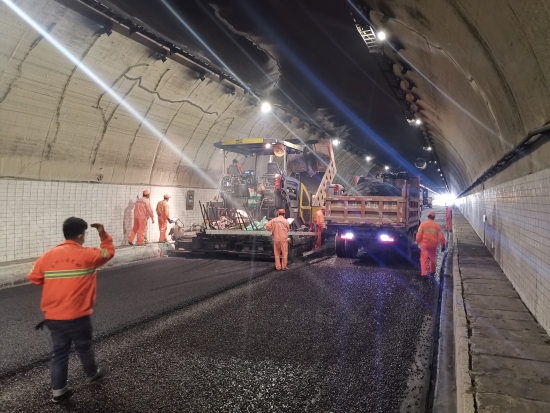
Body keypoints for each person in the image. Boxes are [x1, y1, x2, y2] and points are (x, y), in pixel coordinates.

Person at [28, 217, 115, 403]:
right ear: (81, 236)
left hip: (53, 317)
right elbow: (108, 252)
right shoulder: (87, 254)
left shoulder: (48, 256)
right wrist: (103, 234)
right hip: (77, 316)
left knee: (59, 353)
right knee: (84, 347)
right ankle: (92, 374)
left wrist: (56, 283)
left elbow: (34, 277)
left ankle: (58, 391)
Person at [416, 211, 446, 277]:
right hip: (433, 245)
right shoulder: (436, 226)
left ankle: (424, 274)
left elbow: (419, 235)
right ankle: (432, 271)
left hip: (425, 245)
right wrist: (443, 245)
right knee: (432, 258)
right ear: (434, 217)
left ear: (428, 217)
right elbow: (441, 236)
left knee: (424, 259)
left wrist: (417, 242)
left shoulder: (423, 224)